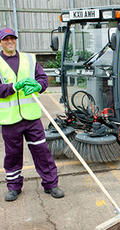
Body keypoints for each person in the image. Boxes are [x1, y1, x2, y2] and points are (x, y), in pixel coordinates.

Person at [0, 27, 64, 201]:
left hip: (32, 117)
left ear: (16, 40)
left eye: (12, 38)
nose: (10, 41)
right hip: (10, 119)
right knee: (13, 155)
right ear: (1, 42)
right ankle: (14, 187)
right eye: (6, 39)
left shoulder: (29, 58)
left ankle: (51, 184)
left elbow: (42, 79)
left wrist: (38, 86)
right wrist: (14, 87)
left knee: (41, 151)